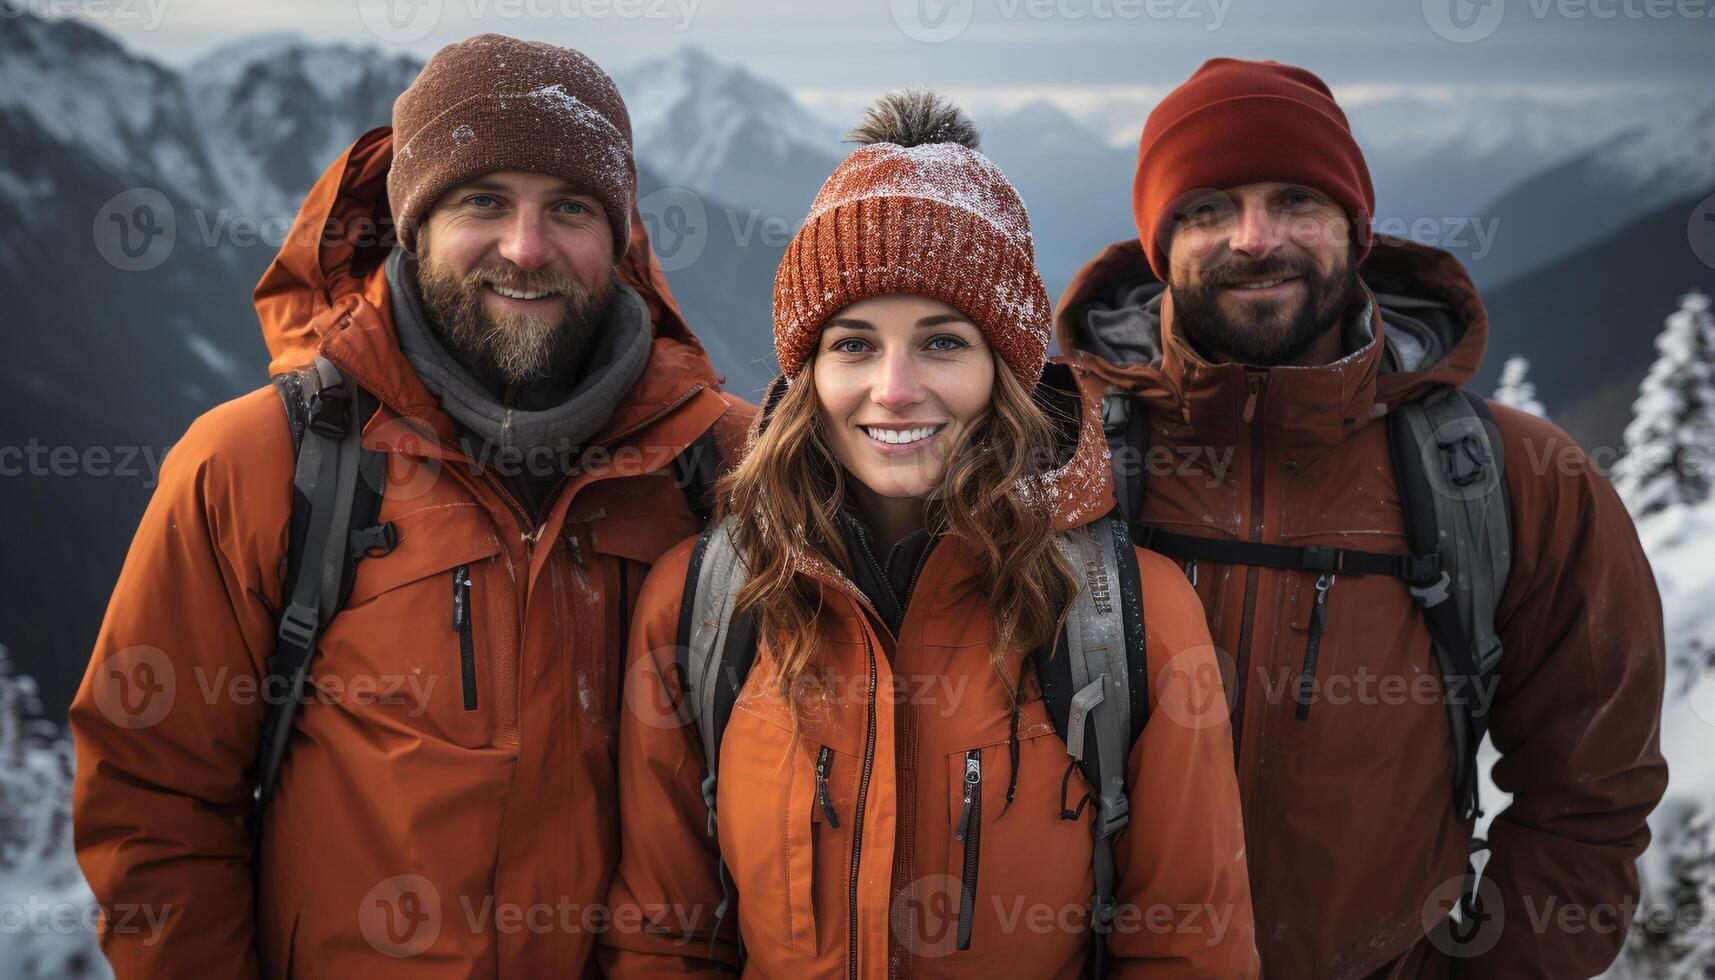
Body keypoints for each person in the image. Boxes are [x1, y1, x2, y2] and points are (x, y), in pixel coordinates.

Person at [70, 33, 752, 977]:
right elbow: (154, 800)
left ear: (621, 240)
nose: (525, 247)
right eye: (482, 201)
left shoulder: (728, 472)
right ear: (412, 225)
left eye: (570, 208)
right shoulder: (263, 464)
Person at [599, 90, 1259, 978]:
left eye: (943, 343)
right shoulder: (705, 605)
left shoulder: (1133, 621)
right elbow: (666, 940)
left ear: (1006, 372)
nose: (896, 388)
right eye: (854, 345)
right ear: (806, 375)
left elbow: (1187, 949)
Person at [1056, 57, 1667, 978]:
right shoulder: (1053, 455)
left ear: (1355, 226)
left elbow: (1591, 792)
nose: (1254, 239)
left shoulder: (1516, 480)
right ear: (1158, 241)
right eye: (1208, 208)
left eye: (1296, 201)